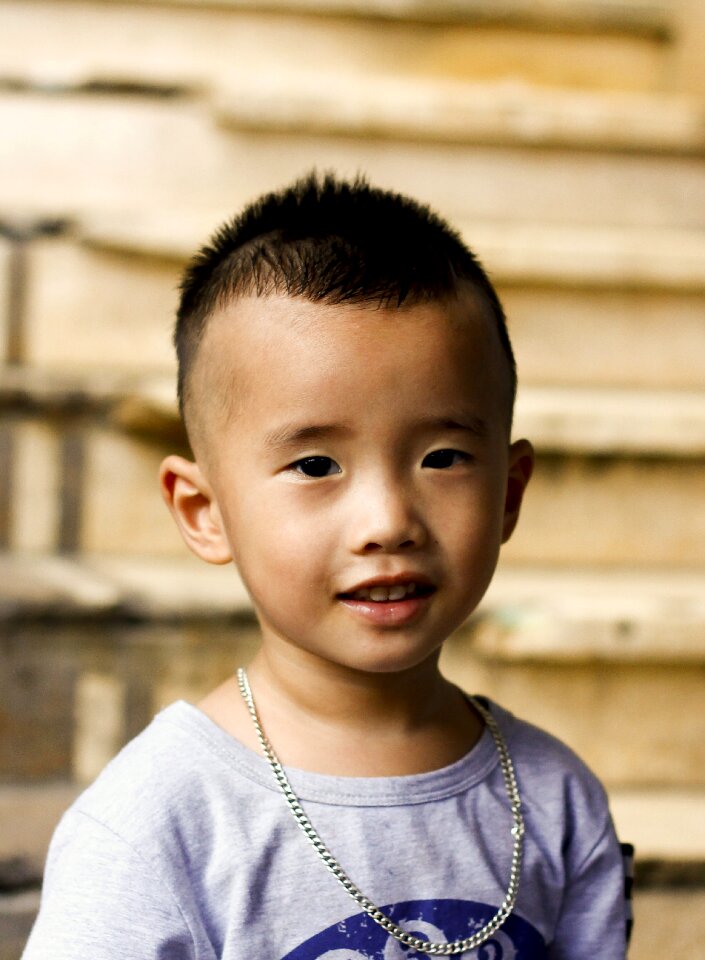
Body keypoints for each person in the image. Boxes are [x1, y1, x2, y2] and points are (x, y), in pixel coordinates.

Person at [23, 173, 629, 959]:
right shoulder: (160, 821)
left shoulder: (551, 797)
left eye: (442, 457)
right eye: (314, 466)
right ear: (205, 513)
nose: (387, 521)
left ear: (508, 493)